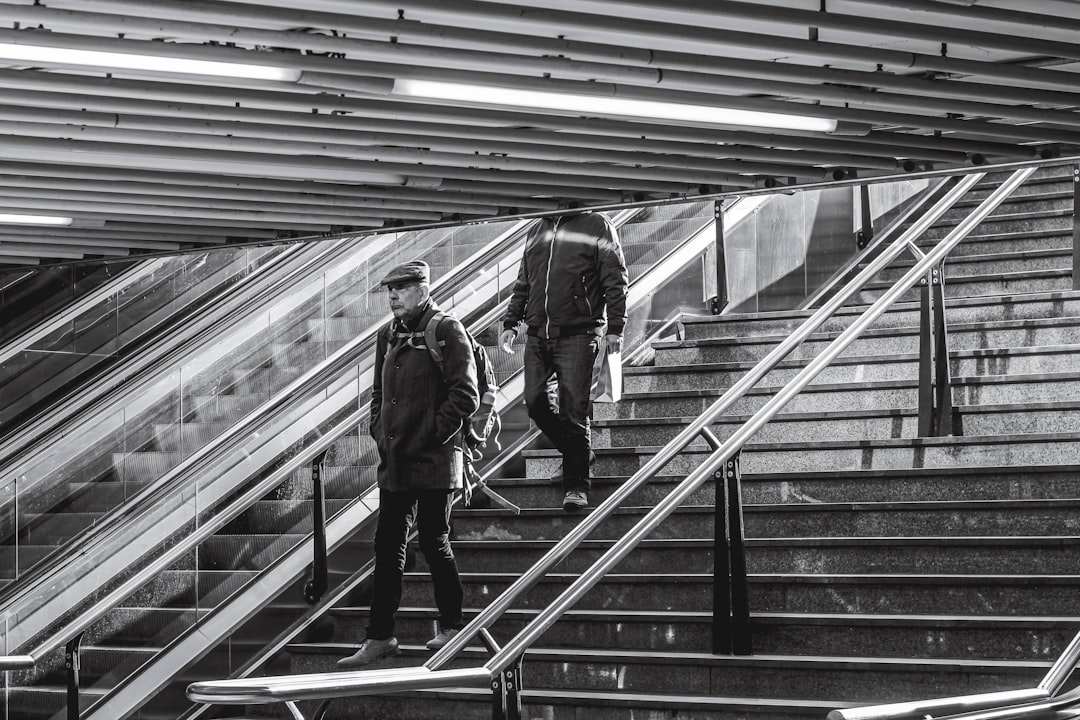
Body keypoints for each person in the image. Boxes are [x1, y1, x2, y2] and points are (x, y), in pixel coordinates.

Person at [338, 260, 480, 668]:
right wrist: (379, 431)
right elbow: (379, 394)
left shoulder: (446, 329)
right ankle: (380, 637)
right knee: (387, 547)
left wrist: (431, 434)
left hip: (434, 460)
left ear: (423, 288)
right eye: (389, 290)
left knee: (434, 541)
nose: (393, 296)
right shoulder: (388, 334)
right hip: (396, 460)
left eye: (401, 288)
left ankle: (453, 626)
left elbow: (465, 394)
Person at [499, 212, 629, 512]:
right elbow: (524, 281)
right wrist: (511, 322)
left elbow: (615, 278)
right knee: (534, 402)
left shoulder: (596, 224)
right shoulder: (537, 229)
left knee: (574, 411)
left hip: (580, 333)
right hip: (537, 334)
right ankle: (578, 453)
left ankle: (577, 486)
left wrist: (616, 329)